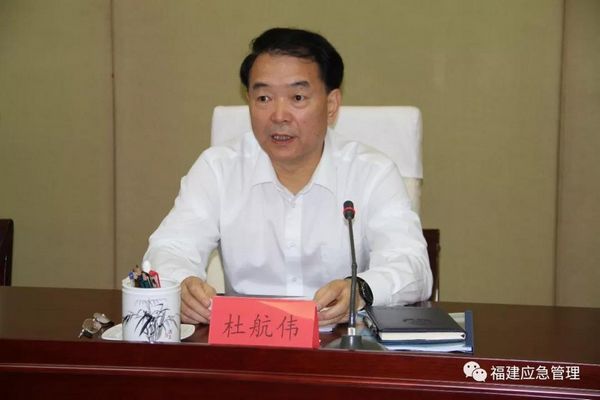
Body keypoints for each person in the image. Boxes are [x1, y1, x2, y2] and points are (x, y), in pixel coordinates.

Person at [143, 27, 432, 326]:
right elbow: (169, 249)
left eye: (297, 97)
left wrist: (361, 290)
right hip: (245, 340)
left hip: (340, 342)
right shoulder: (218, 168)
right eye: (264, 98)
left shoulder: (372, 172)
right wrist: (181, 285)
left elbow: (412, 267)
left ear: (331, 105)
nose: (279, 115)